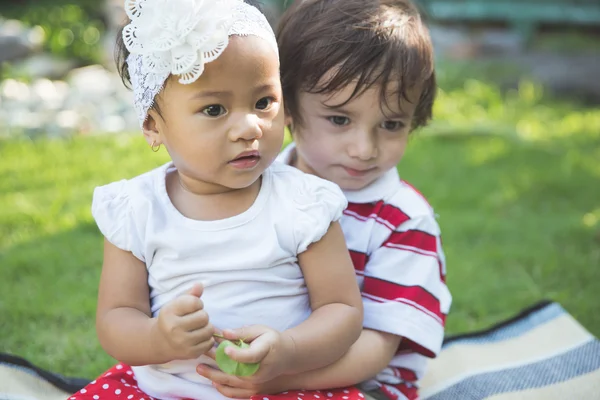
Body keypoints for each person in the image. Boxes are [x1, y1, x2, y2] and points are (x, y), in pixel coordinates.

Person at [68, 1, 364, 399]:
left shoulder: (301, 202)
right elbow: (116, 320)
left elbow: (342, 311)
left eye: (263, 102)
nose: (248, 127)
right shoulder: (136, 209)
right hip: (164, 392)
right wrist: (158, 337)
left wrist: (288, 351)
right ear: (153, 126)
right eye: (214, 109)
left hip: (280, 390)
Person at [198, 1, 452, 399]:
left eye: (391, 124)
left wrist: (280, 379)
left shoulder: (403, 221)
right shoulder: (254, 183)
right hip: (254, 368)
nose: (364, 149)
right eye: (339, 119)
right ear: (286, 104)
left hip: (355, 382)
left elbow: (377, 349)